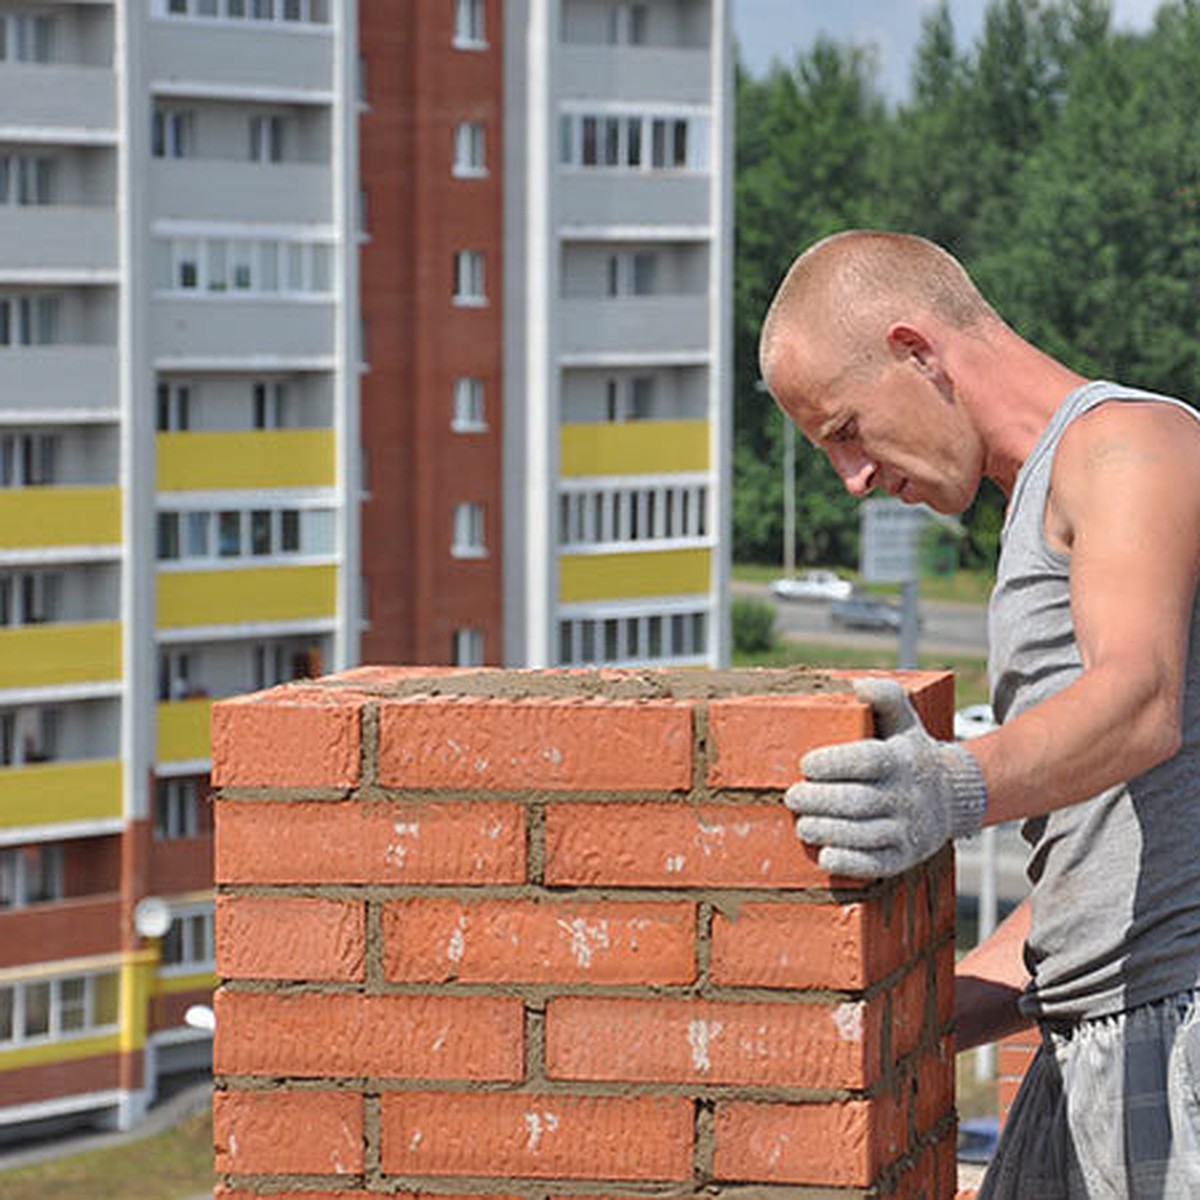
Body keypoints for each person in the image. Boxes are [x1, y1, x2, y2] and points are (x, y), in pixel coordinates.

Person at [758, 230, 1200, 1198]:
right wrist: (899, 1018)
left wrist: (948, 788)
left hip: (1178, 1038)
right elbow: (1100, 872)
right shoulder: (1041, 500)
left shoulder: (1128, 443)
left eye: (844, 430)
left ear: (917, 351)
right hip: (1095, 1035)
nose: (854, 477)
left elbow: (1144, 702)